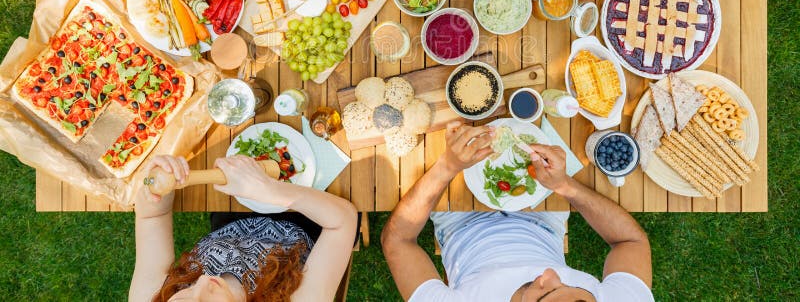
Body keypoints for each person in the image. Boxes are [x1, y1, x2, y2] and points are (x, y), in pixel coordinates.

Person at [381, 122, 653, 301]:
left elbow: (398, 242)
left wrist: (447, 167)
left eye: (544, 294)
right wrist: (565, 185)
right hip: (544, 223)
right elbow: (631, 243)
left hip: (461, 225)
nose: (551, 274)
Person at [129, 155, 357, 302]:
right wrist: (272, 192)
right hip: (311, 220)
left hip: (233, 221)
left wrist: (157, 188)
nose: (203, 282)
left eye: (183, 299)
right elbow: (342, 222)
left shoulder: (149, 298)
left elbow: (152, 216)